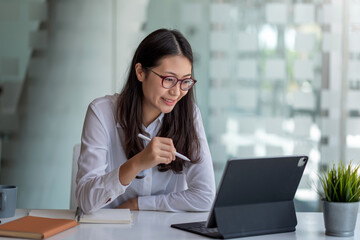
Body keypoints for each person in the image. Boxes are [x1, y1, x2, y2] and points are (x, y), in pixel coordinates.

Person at [76, 28, 216, 214]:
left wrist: (138, 205)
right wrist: (137, 163)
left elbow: (205, 197)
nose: (176, 92)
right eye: (169, 79)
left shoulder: (189, 115)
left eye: (185, 81)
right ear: (141, 72)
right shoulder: (101, 113)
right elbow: (86, 202)